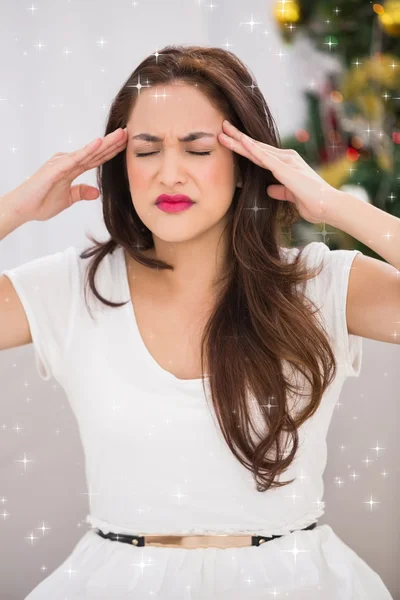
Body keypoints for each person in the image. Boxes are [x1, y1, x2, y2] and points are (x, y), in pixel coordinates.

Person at [0, 44, 395, 599]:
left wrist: (336, 207)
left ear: (244, 163)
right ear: (120, 164)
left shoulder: (319, 283)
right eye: (146, 150)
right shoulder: (68, 290)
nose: (169, 174)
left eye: (198, 149)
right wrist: (16, 206)